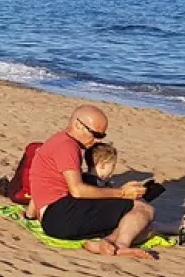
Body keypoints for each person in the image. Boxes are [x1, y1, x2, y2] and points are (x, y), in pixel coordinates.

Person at [26, 106, 160, 259]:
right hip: (61, 213)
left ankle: (106, 243)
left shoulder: (57, 140)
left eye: (101, 136)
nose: (97, 140)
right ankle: (121, 246)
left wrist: (30, 215)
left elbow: (39, 186)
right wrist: (122, 193)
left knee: (139, 226)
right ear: (77, 125)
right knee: (144, 208)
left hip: (53, 218)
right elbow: (77, 190)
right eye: (95, 134)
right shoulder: (67, 146)